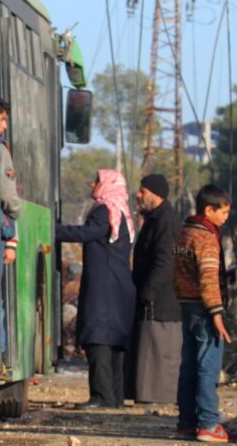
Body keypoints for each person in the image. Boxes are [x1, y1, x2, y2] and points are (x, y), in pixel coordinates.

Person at [57, 169, 136, 410]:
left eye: (98, 181)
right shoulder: (121, 211)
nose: (93, 184)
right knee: (113, 344)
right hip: (118, 286)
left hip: (105, 290)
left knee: (99, 340)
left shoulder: (106, 210)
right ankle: (114, 398)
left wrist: (52, 230)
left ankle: (102, 397)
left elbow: (86, 233)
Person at [174, 184, 233, 443]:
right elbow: (209, 278)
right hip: (205, 308)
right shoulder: (207, 238)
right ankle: (209, 424)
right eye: (223, 212)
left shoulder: (183, 233)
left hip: (187, 306)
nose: (226, 218)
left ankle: (186, 423)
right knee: (208, 366)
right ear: (209, 210)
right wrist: (217, 314)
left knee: (188, 366)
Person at [129, 174, 182, 404]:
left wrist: (149, 290)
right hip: (153, 295)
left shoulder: (166, 220)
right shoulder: (155, 219)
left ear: (157, 194)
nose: (139, 195)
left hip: (162, 298)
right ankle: (147, 394)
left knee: (160, 348)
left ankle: (161, 396)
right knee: (149, 347)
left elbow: (164, 260)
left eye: (143, 191)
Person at [0, 103, 21, 368]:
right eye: (2, 119)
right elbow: (7, 195)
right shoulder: (0, 150)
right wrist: (18, 210)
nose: (5, 126)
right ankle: (2, 355)